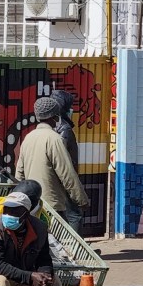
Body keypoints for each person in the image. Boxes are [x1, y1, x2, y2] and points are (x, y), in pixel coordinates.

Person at [15, 97, 89, 227]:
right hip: (51, 205)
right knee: (56, 238)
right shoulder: (54, 139)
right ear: (54, 117)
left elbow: (19, 173)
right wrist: (81, 199)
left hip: (32, 203)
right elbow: (66, 173)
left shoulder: (28, 138)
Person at [51, 90, 83, 234]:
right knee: (74, 213)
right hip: (66, 178)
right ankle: (77, 245)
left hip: (56, 178)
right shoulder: (65, 129)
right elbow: (62, 157)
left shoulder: (52, 126)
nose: (72, 110)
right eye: (70, 106)